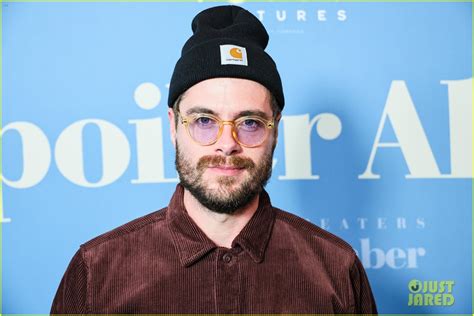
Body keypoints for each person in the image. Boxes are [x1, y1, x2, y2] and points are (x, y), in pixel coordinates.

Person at [51, 5, 377, 314]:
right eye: (204, 121)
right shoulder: (97, 273)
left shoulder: (336, 269)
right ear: (172, 126)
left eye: (249, 122)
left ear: (275, 130)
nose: (227, 145)